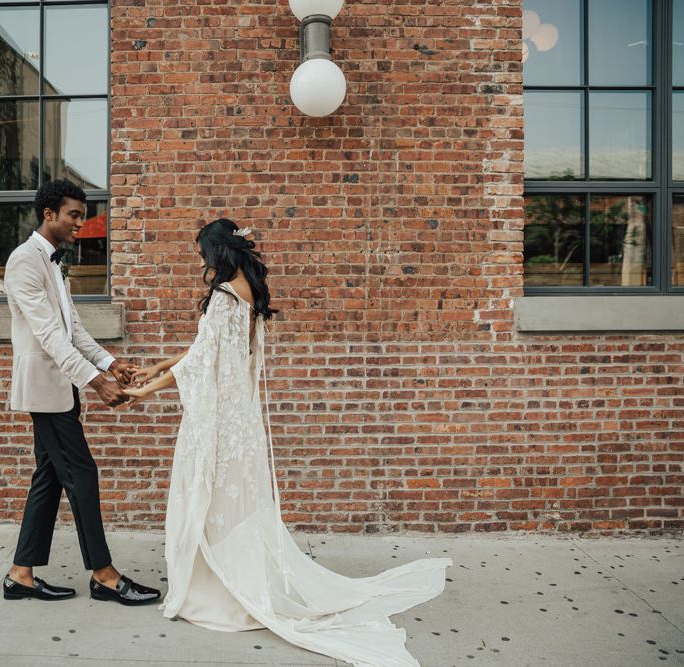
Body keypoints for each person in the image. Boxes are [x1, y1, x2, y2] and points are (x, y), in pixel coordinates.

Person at [125, 218, 452, 666]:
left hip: (219, 423)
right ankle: (238, 580)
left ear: (218, 252)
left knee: (212, 501)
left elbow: (203, 361)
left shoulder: (222, 297)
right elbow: (208, 349)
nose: (202, 261)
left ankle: (221, 592)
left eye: (203, 253)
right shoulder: (249, 292)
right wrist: (159, 365)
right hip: (242, 421)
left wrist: (145, 389)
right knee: (234, 504)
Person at [2, 178, 161, 606]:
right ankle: (104, 575)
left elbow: (74, 330)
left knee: (48, 479)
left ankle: (21, 574)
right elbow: (51, 337)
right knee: (83, 475)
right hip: (44, 391)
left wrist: (111, 364)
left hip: (60, 390)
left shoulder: (54, 263)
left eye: (81, 215)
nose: (80, 222)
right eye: (73, 215)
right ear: (48, 214)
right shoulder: (24, 262)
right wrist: (95, 382)